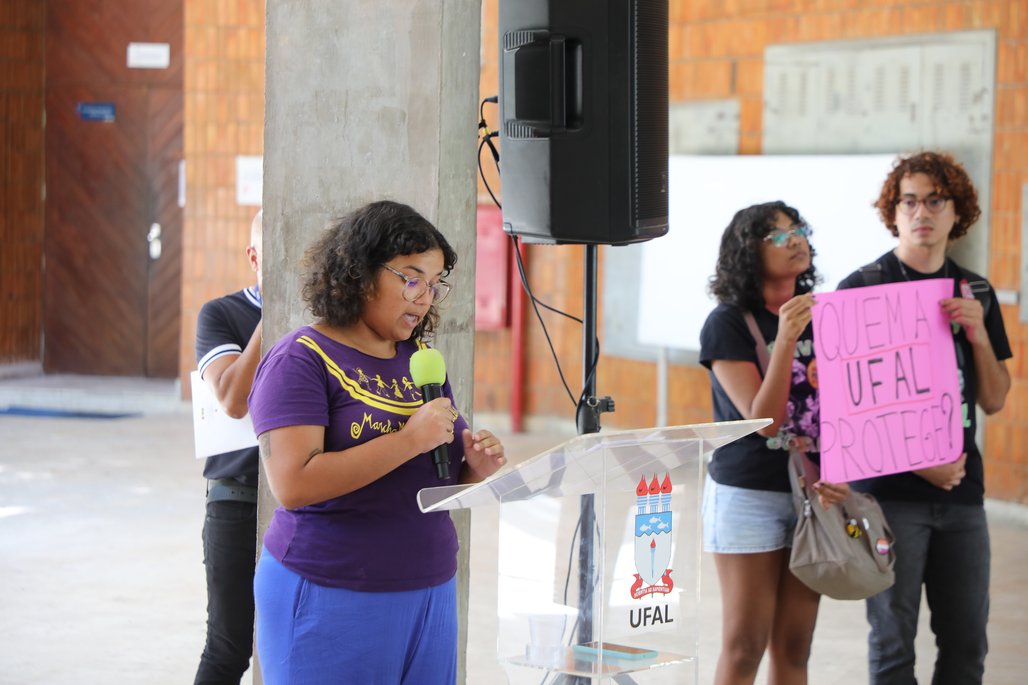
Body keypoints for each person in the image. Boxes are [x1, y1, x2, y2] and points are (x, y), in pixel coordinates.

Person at [248, 200, 507, 684]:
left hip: (429, 585)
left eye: (433, 284)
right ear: (360, 273)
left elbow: (436, 474)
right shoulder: (301, 359)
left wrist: (471, 468)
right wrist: (408, 441)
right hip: (332, 589)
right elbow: (293, 483)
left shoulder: (421, 361)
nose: (424, 296)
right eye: (411, 277)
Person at [837, 151, 1012, 684]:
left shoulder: (976, 292)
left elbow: (996, 398)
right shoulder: (862, 289)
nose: (922, 213)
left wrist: (978, 335)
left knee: (966, 643)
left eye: (936, 201)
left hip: (962, 496)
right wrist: (923, 465)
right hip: (889, 498)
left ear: (958, 213)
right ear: (893, 211)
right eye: (909, 201)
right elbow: (850, 410)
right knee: (893, 645)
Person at [699, 200, 850, 685]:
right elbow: (763, 420)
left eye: (799, 230)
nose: (797, 240)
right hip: (747, 495)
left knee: (794, 646)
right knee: (745, 646)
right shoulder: (727, 323)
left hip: (810, 495)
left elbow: (846, 408)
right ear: (748, 252)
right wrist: (785, 339)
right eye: (780, 235)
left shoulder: (827, 315)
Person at [193, 210, 264, 684]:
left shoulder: (332, 317)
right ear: (255, 257)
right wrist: (278, 310)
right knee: (229, 647)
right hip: (237, 500)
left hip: (317, 501)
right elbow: (234, 398)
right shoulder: (221, 314)